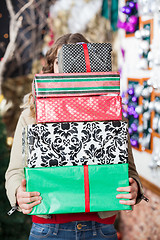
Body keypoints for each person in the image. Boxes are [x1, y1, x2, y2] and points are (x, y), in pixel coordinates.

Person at [5, 33, 144, 240]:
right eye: (62, 61)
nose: (70, 70)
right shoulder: (31, 115)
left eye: (77, 61)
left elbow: (129, 170)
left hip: (100, 229)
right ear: (52, 67)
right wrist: (18, 192)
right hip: (49, 230)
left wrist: (135, 188)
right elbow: (15, 171)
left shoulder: (111, 112)